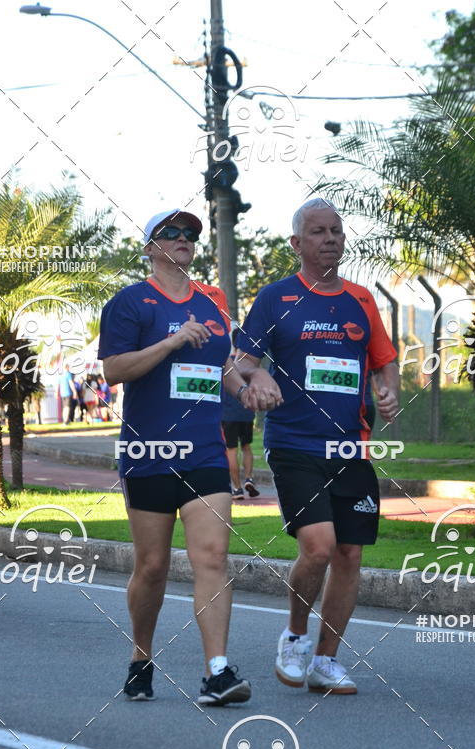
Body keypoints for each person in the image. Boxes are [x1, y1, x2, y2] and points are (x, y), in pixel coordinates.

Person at [99, 208, 273, 706]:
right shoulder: (131, 303)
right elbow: (114, 369)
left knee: (213, 558)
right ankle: (140, 657)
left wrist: (246, 391)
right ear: (150, 246)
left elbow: (221, 367)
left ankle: (217, 672)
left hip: (204, 453)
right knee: (151, 566)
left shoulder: (213, 308)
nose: (183, 239)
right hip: (148, 452)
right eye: (170, 233)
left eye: (190, 233)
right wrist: (172, 340)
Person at [236, 198, 399, 695]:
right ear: (297, 243)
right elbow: (238, 361)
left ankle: (327, 661)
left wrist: (388, 388)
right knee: (320, 546)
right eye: (318, 231)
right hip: (293, 442)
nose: (330, 238)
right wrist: (256, 373)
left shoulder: (362, 300)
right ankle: (294, 636)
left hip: (351, 447)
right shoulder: (276, 298)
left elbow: (383, 360)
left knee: (349, 552)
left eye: (336, 231)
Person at [222, 328, 260, 500]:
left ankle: (236, 489)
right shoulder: (249, 365)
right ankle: (249, 478)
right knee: (246, 447)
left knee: (231, 450)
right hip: (246, 412)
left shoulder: (225, 362)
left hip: (228, 414)